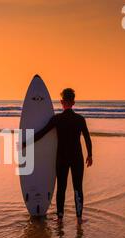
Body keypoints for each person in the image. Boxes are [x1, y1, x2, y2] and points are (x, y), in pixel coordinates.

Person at [28, 88, 93, 224]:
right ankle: (79, 218)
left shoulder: (57, 119)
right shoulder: (80, 119)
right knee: (78, 187)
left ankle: (60, 217)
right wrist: (90, 155)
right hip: (77, 157)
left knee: (61, 187)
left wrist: (26, 142)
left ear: (62, 102)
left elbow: (42, 133)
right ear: (74, 102)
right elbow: (87, 138)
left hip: (62, 157)